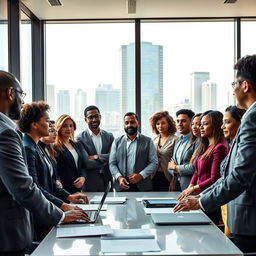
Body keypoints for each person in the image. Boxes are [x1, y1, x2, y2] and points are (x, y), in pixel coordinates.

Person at [174, 54, 256, 253]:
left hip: (249, 222)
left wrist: (201, 200)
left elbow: (239, 176)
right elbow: (228, 175)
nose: (233, 89)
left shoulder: (252, 118)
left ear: (245, 85)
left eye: (233, 84)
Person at [0, 71, 88, 255]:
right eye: (20, 94)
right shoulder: (6, 133)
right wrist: (61, 214)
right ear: (9, 93)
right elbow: (24, 187)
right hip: (9, 234)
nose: (22, 101)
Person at [18, 101, 89, 240]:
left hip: (48, 208)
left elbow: (50, 181)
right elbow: (35, 187)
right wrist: (63, 205)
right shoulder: (28, 148)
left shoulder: (38, 147)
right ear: (34, 124)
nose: (51, 125)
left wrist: (68, 197)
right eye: (46, 121)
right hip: (39, 213)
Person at [177, 110, 229, 224]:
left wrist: (193, 188)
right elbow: (197, 171)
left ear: (215, 125)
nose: (200, 127)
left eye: (205, 124)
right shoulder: (205, 146)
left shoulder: (220, 148)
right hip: (199, 195)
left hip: (209, 197)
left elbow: (215, 178)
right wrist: (190, 187)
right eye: (200, 124)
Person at [109, 112, 158, 191]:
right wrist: (119, 177)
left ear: (138, 123)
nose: (129, 125)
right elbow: (112, 163)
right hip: (122, 185)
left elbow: (154, 162)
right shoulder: (117, 142)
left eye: (132, 122)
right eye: (126, 123)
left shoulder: (148, 141)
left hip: (143, 185)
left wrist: (141, 175)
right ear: (124, 125)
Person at [220, 105, 245, 236]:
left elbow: (235, 178)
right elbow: (223, 178)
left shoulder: (243, 147)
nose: (222, 127)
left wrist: (201, 200)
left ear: (242, 122)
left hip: (241, 215)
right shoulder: (232, 144)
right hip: (229, 209)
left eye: (227, 122)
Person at [76, 105, 114, 191]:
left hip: (107, 181)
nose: (94, 119)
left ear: (100, 117)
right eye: (90, 117)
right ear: (86, 120)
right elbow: (86, 162)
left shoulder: (109, 136)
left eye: (96, 116)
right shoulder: (79, 139)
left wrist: (97, 157)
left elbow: (114, 157)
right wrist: (105, 161)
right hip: (90, 183)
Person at [55, 114, 88, 194]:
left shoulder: (77, 144)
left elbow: (83, 165)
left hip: (78, 188)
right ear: (59, 128)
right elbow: (55, 170)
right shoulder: (55, 147)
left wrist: (83, 177)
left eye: (71, 126)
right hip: (64, 189)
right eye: (65, 126)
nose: (69, 129)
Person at [168, 109, 197, 191]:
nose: (179, 124)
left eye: (183, 121)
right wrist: (174, 170)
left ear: (191, 123)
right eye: (178, 121)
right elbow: (169, 165)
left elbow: (194, 168)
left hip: (190, 186)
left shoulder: (197, 141)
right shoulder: (178, 140)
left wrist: (175, 167)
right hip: (176, 185)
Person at [150, 111, 178, 191]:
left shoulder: (175, 140)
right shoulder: (154, 140)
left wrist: (173, 180)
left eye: (163, 123)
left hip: (168, 177)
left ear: (169, 124)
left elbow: (176, 161)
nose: (160, 126)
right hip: (154, 176)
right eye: (158, 123)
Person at [40, 120, 63, 188]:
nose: (55, 134)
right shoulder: (38, 149)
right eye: (52, 131)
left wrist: (58, 180)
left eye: (56, 131)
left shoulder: (50, 149)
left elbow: (55, 171)